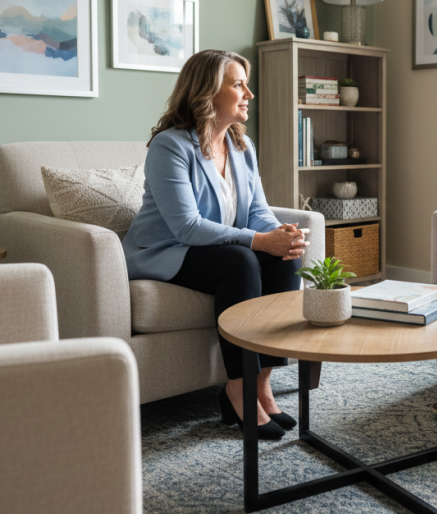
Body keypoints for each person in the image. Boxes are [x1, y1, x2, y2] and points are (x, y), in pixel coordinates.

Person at [123, 49, 308, 441]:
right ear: (208, 91)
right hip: (167, 252)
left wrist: (281, 236)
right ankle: (236, 389)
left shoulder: (242, 147)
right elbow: (187, 227)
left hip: (217, 248)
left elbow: (257, 211)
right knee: (242, 261)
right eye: (238, 84)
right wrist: (261, 241)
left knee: (285, 263)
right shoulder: (170, 146)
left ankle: (262, 384)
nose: (249, 93)